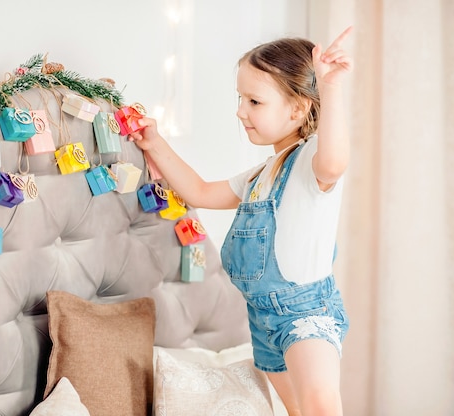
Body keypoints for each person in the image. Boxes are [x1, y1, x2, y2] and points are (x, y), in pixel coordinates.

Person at [129, 27, 354, 416]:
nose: (240, 111)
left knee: (320, 405)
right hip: (262, 318)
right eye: (240, 98)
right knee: (296, 410)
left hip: (305, 314)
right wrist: (155, 143)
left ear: (298, 108)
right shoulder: (260, 175)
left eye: (254, 101)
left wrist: (331, 91)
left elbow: (334, 162)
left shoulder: (309, 162)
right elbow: (199, 191)